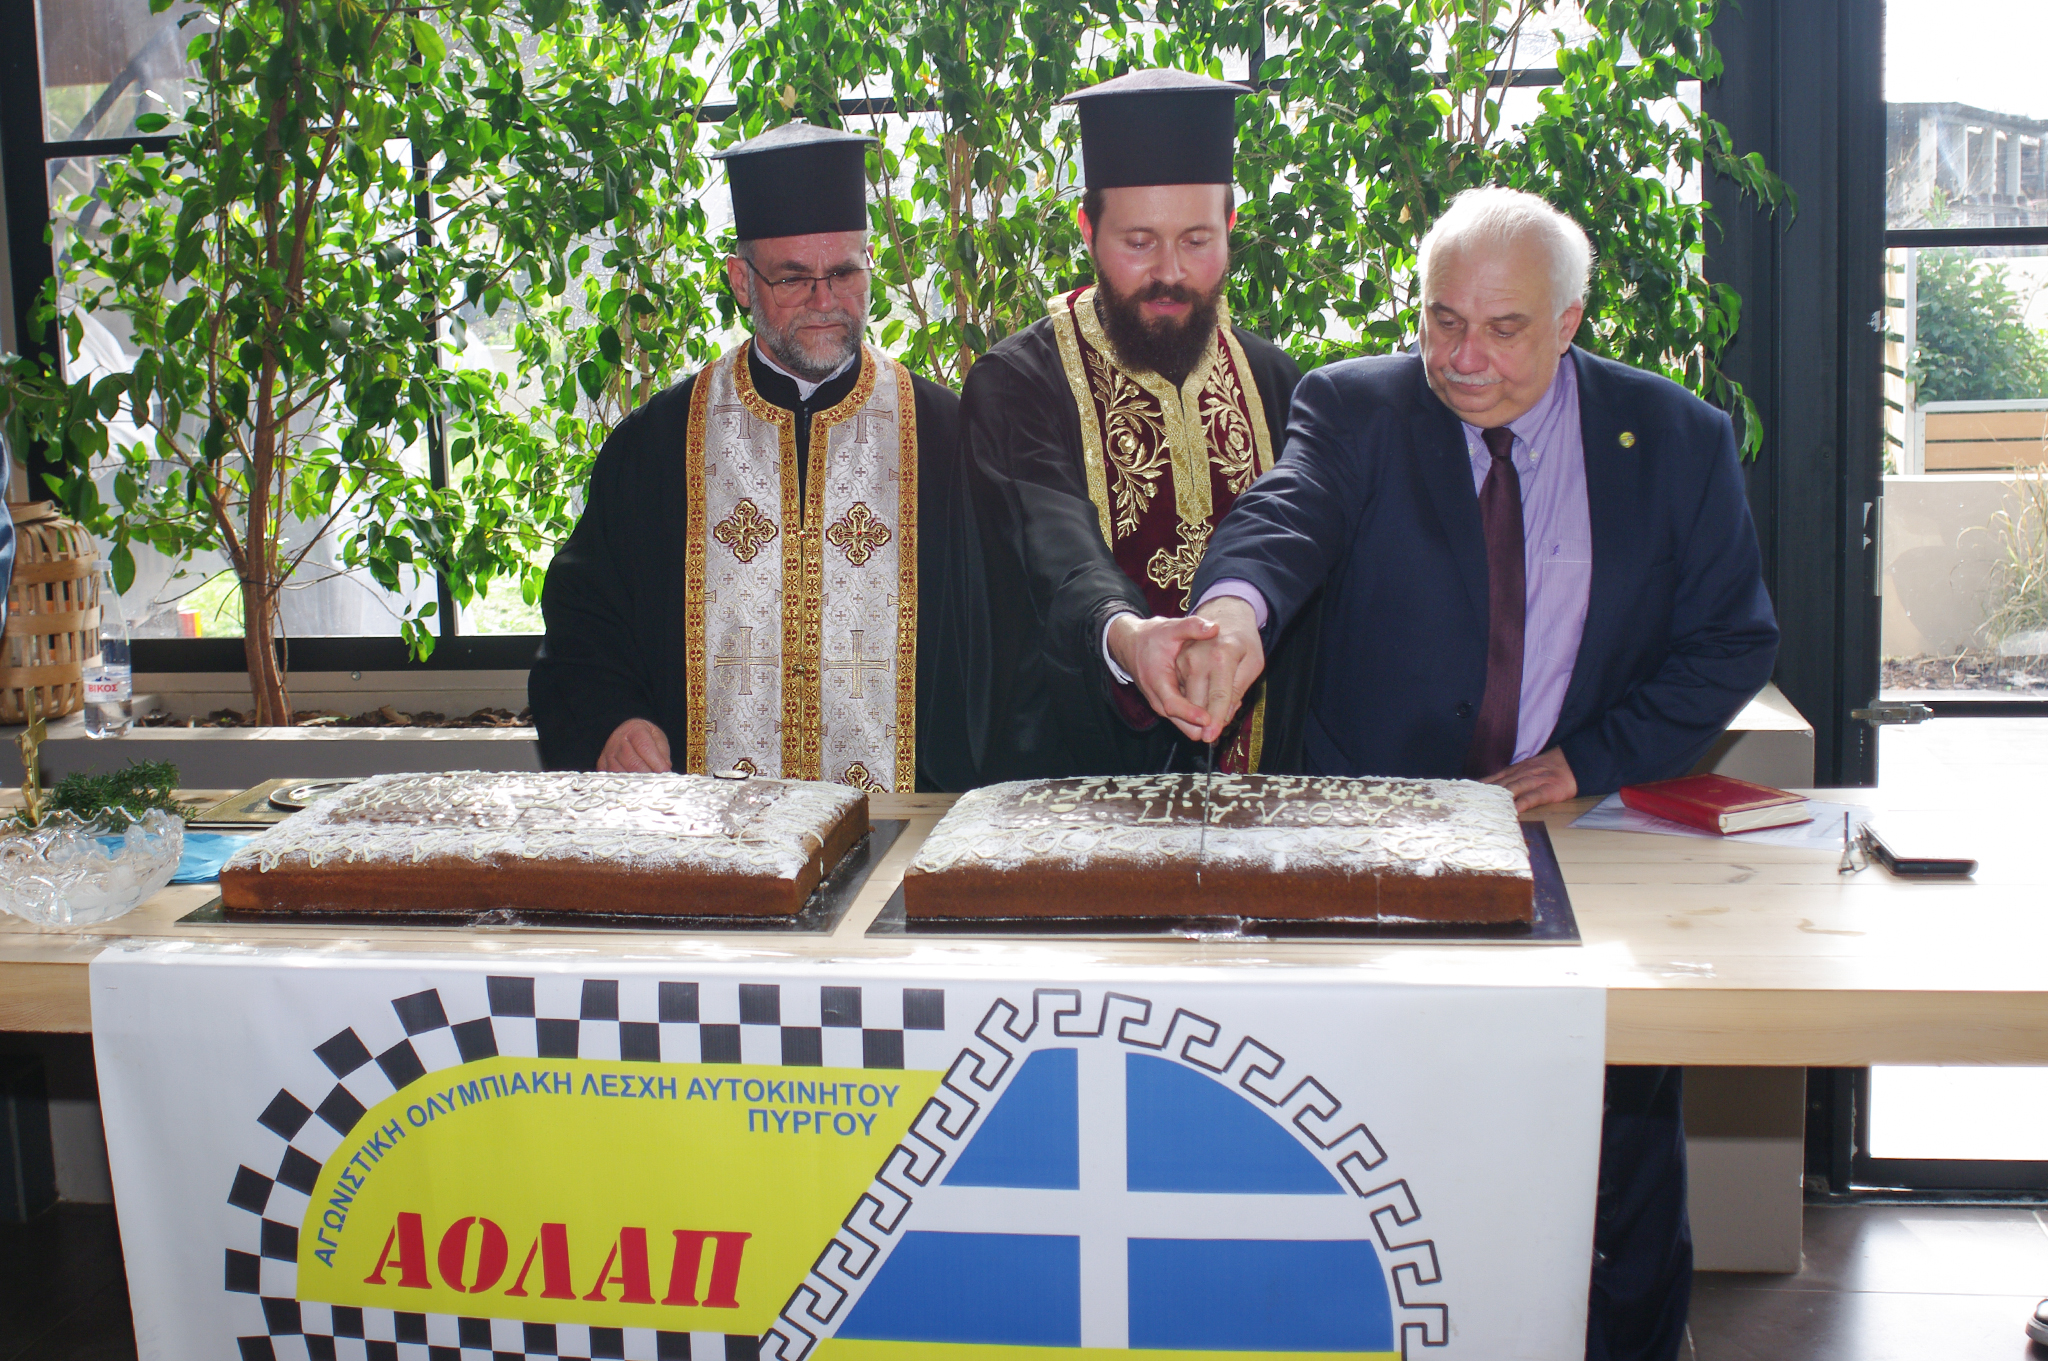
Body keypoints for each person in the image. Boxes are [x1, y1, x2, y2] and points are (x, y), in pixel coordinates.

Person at [1128, 187, 1780, 1360]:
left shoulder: (1670, 437)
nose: (1462, 358)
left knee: (1613, 1138)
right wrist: (1229, 616)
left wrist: (1589, 757)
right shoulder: (1357, 404)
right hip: (1380, 853)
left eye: (1503, 329)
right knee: (1382, 1138)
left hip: (1575, 846)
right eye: (1439, 322)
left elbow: (1732, 638)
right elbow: (1285, 519)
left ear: (1571, 318)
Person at [530, 122, 976, 791]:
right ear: (742, 280)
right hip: (712, 851)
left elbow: (1005, 651)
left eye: (845, 272)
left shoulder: (951, 440)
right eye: (794, 278)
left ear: (870, 262)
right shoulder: (656, 447)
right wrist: (611, 722)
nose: (826, 302)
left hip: (901, 839)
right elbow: (583, 626)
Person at [957, 68, 1312, 782]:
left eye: (1197, 240)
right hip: (1078, 799)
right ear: (1089, 230)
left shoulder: (1278, 382)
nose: (1171, 274)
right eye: (1140, 242)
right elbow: (1058, 557)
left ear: (1231, 227)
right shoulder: (1018, 384)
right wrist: (1126, 635)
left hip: (1260, 804)